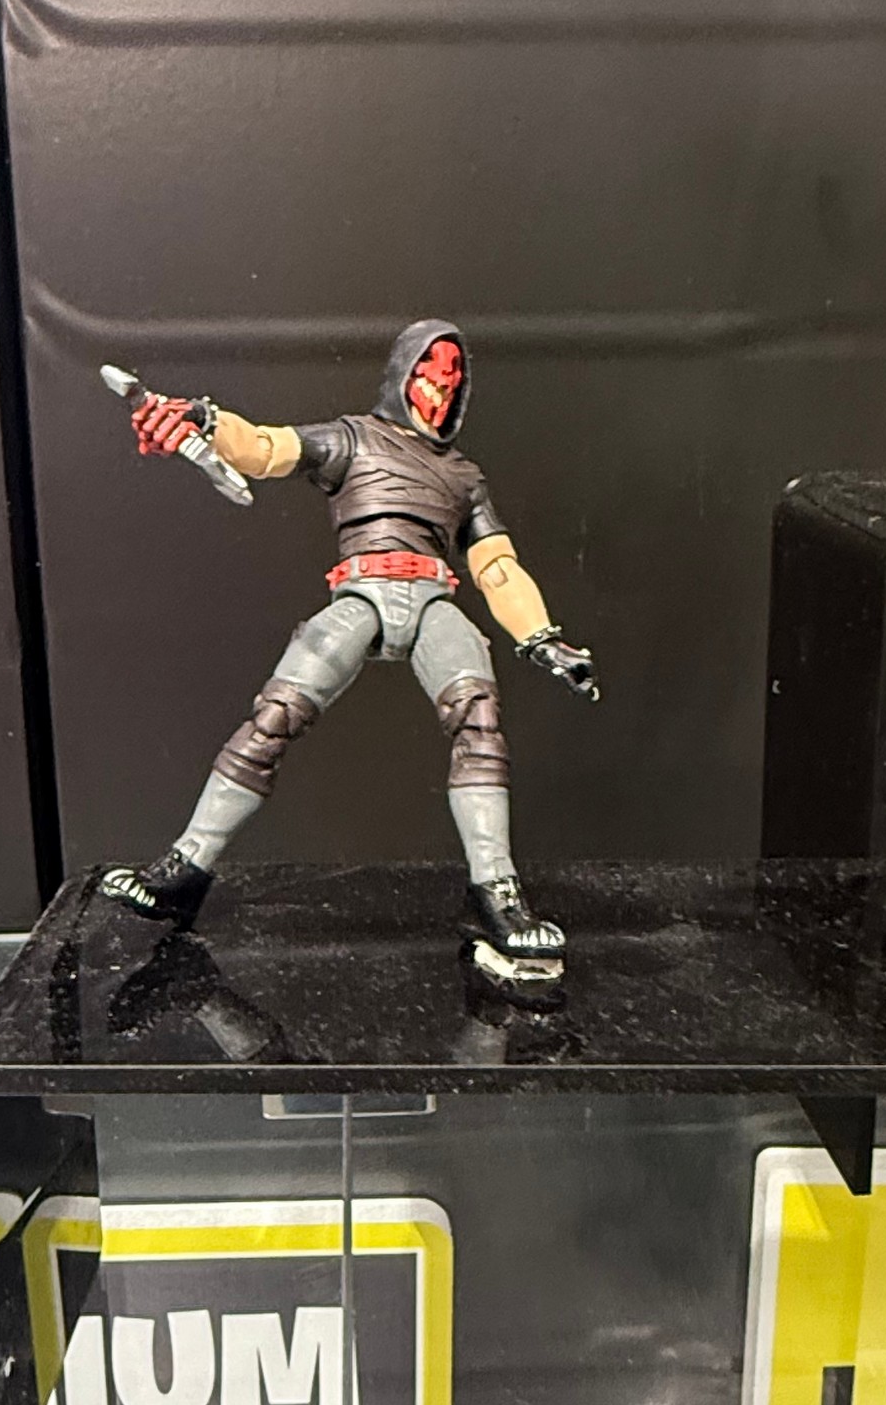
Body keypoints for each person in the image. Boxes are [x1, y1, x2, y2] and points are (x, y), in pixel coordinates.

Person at [102, 320, 599, 982]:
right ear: (404, 374)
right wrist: (205, 420)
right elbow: (265, 448)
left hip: (433, 601)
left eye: (452, 379)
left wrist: (542, 639)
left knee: (479, 722)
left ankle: (496, 895)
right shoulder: (352, 438)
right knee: (274, 717)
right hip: (361, 594)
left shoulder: (464, 477)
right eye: (430, 373)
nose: (440, 389)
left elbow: (497, 567)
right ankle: (185, 868)